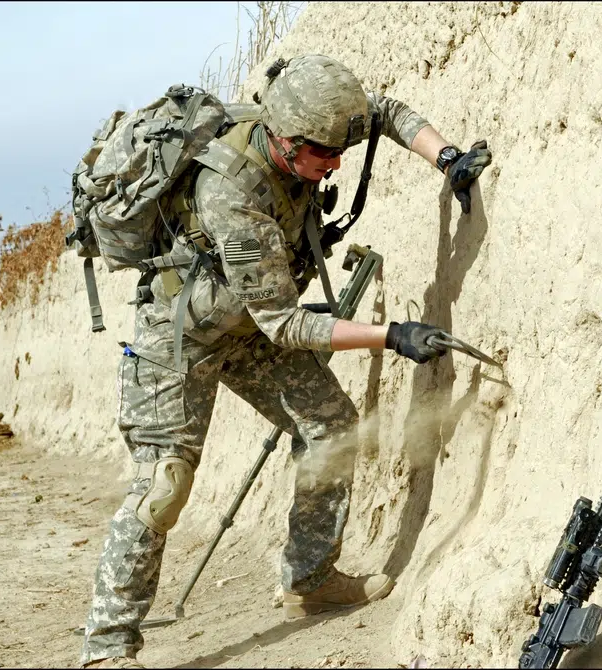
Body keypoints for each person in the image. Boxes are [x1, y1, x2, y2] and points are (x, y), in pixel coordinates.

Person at [80, 53, 492, 669]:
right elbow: (287, 323)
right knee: (163, 487)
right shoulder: (232, 193)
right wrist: (393, 335)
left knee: (330, 422)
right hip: (180, 339)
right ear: (285, 139)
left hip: (247, 330)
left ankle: (309, 579)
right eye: (324, 156)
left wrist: (446, 158)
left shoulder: (311, 124)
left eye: (337, 152)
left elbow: (382, 112)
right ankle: (108, 646)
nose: (335, 165)